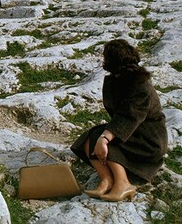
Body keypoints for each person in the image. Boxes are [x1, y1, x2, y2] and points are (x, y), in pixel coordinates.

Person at [71, 39, 167, 202]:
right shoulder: (118, 80)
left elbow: (129, 116)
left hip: (149, 141)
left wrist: (105, 138)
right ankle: (107, 180)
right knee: (90, 137)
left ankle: (123, 184)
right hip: (133, 133)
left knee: (105, 142)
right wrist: (102, 136)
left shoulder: (140, 85)